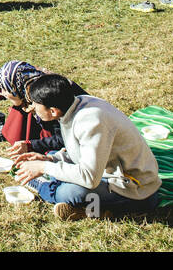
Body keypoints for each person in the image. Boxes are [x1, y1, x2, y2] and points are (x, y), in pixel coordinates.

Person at [11, 75, 161, 220]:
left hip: (136, 190)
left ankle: (42, 186)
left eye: (36, 106)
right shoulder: (75, 106)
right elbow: (80, 152)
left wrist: (44, 167)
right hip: (105, 172)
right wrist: (50, 158)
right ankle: (95, 211)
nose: (33, 109)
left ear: (53, 111)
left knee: (69, 192)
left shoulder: (91, 122)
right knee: (53, 156)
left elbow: (89, 178)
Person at [0, 62, 86, 153]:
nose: (1, 92)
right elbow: (15, 90)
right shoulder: (34, 80)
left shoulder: (47, 99)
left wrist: (31, 145)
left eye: (3, 89)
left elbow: (63, 139)